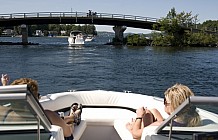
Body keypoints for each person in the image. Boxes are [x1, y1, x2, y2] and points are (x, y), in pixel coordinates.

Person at [2, 76, 82, 140]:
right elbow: (68, 133)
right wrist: (71, 126)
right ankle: (74, 117)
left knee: (55, 119)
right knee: (65, 125)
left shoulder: (4, 113)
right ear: (34, 99)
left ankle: (72, 117)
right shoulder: (45, 115)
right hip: (53, 122)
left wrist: (5, 86)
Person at [126, 83, 201, 140]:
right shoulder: (193, 122)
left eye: (165, 101)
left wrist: (139, 117)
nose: (164, 103)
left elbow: (135, 135)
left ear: (173, 106)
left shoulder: (160, 125)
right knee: (151, 112)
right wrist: (156, 114)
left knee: (145, 115)